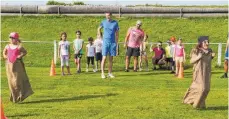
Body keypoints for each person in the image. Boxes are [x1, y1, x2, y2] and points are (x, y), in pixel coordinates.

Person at [183, 36, 215, 109]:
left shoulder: (209, 51)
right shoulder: (196, 50)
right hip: (199, 72)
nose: (207, 43)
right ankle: (193, 102)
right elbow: (191, 61)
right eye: (205, 42)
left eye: (208, 42)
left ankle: (201, 104)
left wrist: (212, 56)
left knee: (207, 88)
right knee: (201, 88)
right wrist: (198, 57)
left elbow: (208, 59)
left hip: (207, 72)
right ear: (201, 43)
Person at [2, 32, 34, 103]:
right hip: (9, 66)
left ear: (16, 39)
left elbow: (25, 52)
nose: (11, 39)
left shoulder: (19, 47)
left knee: (17, 81)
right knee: (11, 82)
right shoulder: (7, 46)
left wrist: (20, 56)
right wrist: (5, 56)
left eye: (12, 38)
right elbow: (4, 53)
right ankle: (14, 97)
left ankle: (21, 95)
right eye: (10, 38)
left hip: (17, 66)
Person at [98, 12, 119, 79]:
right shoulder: (103, 22)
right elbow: (98, 28)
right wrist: (100, 37)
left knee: (110, 59)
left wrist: (116, 42)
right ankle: (102, 73)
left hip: (112, 43)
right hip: (105, 42)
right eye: (106, 15)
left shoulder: (115, 23)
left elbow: (117, 33)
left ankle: (110, 73)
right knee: (104, 58)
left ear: (111, 15)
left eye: (108, 15)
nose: (107, 17)